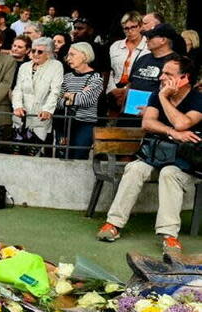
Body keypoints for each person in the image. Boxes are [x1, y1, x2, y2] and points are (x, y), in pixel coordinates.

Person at [98, 57, 201, 255]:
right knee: (135, 168)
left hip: (187, 163)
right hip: (157, 155)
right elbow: (148, 122)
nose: (161, 77)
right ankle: (113, 224)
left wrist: (164, 99)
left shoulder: (197, 100)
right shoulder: (156, 94)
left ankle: (169, 236)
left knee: (169, 173)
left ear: (184, 78)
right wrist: (172, 132)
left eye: (168, 74)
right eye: (162, 73)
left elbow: (183, 123)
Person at [12, 37, 63, 145]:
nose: (35, 54)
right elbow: (17, 89)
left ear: (48, 53)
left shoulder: (56, 66)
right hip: (21, 117)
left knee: (33, 154)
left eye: (40, 51)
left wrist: (47, 110)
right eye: (33, 50)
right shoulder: (24, 67)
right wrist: (17, 106)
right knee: (16, 152)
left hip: (41, 117)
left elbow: (55, 91)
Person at [58, 42, 103, 160]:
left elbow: (86, 100)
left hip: (86, 123)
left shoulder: (95, 77)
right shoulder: (67, 77)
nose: (68, 59)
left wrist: (68, 96)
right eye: (68, 56)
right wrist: (75, 97)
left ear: (84, 55)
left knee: (79, 155)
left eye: (72, 55)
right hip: (66, 123)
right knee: (63, 156)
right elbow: (57, 101)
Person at [107, 12, 148, 94]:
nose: (130, 31)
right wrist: (112, 89)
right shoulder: (115, 46)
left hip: (137, 89)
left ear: (140, 27)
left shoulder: (148, 46)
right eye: (126, 28)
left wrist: (126, 90)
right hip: (115, 87)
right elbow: (110, 71)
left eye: (133, 27)